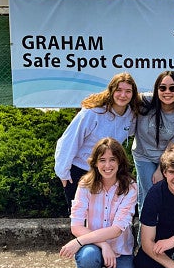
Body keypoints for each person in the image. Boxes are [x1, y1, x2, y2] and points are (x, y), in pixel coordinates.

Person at [59, 137, 141, 268]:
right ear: (95, 163)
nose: (107, 165)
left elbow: (118, 229)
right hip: (93, 249)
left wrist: (79, 241)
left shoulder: (130, 187)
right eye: (102, 160)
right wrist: (103, 245)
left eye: (112, 159)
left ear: (120, 162)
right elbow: (77, 225)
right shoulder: (85, 185)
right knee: (88, 257)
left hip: (121, 251)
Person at [55, 72, 140, 210]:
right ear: (111, 90)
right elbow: (68, 141)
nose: (123, 95)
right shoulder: (92, 113)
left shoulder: (131, 115)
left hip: (107, 173)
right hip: (81, 172)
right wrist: (63, 173)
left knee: (103, 220)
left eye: (128, 91)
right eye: (118, 90)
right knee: (82, 220)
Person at [132, 70, 174, 215]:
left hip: (166, 158)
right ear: (156, 89)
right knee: (150, 193)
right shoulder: (144, 102)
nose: (167, 92)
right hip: (143, 156)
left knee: (162, 195)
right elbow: (122, 97)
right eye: (162, 88)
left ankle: (161, 232)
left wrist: (161, 169)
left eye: (172, 88)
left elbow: (173, 148)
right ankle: (145, 234)